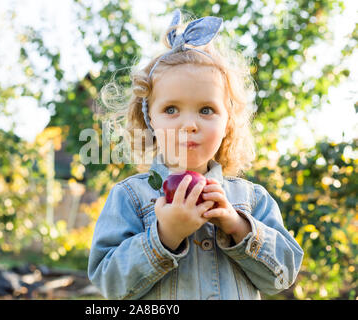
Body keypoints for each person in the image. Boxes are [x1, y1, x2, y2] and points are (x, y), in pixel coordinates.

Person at [88, 9, 303, 300]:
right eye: (171, 109)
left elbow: (283, 276)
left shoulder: (252, 200)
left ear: (227, 122)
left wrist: (237, 225)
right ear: (150, 119)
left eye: (206, 110)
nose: (189, 125)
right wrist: (164, 236)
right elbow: (108, 283)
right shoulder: (130, 197)